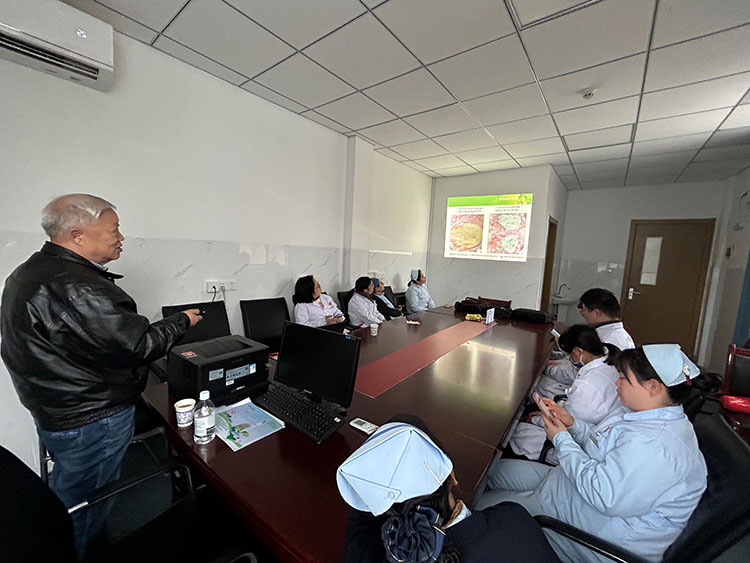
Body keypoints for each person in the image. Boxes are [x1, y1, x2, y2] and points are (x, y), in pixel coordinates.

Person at [0, 194, 202, 559]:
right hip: (92, 417)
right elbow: (138, 345)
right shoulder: (77, 286)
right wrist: (181, 321)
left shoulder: (29, 272)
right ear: (77, 235)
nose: (121, 237)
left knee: (71, 491)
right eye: (114, 229)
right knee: (84, 504)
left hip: (57, 408)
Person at [476, 344, 708, 563]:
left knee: (476, 515)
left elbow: (603, 494)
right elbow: (602, 443)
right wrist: (572, 424)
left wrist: (561, 439)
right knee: (491, 473)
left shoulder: (657, 447)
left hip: (573, 526)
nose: (616, 383)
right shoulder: (641, 413)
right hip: (566, 486)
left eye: (623, 379)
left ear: (653, 387)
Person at [337, 416, 561, 563]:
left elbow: (360, 526)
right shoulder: (513, 519)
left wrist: (373, 482)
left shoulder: (369, 552)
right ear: (452, 475)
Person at [509, 325, 621, 463]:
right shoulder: (609, 361)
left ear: (578, 351)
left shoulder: (586, 385)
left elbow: (567, 423)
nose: (569, 359)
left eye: (569, 355)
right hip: (595, 429)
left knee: (520, 433)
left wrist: (536, 419)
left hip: (581, 445)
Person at [539, 288, 634, 398]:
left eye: (583, 310)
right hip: (596, 386)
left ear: (596, 313)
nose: (582, 313)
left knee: (543, 384)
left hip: (597, 392)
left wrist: (546, 368)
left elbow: (574, 374)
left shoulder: (606, 340)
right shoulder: (616, 334)